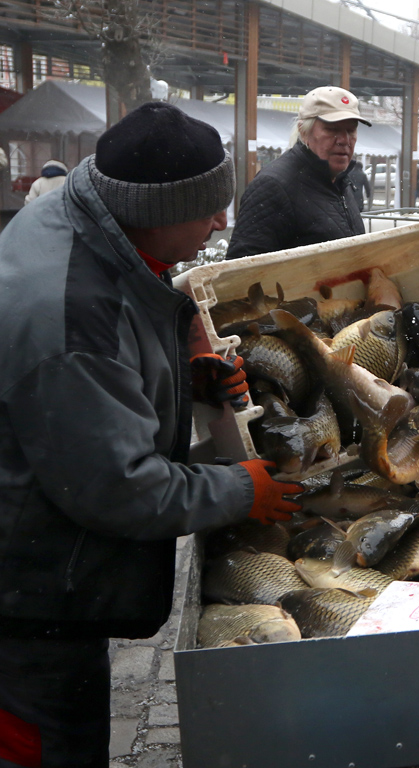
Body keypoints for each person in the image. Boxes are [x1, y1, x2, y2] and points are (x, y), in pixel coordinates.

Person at [0, 102, 302, 766]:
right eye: (207, 211)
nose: (222, 222)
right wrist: (237, 489)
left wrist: (175, 374)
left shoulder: (92, 210)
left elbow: (109, 365)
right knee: (51, 748)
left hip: (53, 578)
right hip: (27, 602)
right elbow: (115, 487)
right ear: (156, 211)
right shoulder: (71, 313)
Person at [227, 85, 371, 259]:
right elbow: (241, 272)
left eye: (351, 130)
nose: (344, 140)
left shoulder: (339, 182)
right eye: (332, 129)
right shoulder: (273, 186)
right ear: (304, 132)